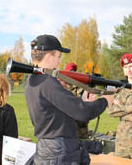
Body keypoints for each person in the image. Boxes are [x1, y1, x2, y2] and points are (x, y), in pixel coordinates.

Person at [25, 34, 113, 165]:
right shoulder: (47, 81)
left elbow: (59, 110)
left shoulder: (33, 79)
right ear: (49, 56)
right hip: (59, 152)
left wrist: (82, 101)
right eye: (58, 56)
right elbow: (82, 113)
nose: (60, 61)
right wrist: (105, 101)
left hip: (48, 148)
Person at [62, 63, 89, 140]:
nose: (71, 75)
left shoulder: (82, 88)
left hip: (81, 129)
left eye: (73, 72)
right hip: (66, 129)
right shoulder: (62, 86)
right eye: (69, 72)